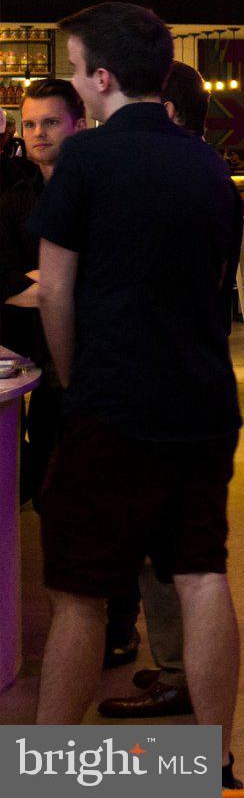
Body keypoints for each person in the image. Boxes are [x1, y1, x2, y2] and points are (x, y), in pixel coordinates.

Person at [28, 4, 244, 786]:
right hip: (202, 401)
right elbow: (221, 284)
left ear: (102, 78)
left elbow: (56, 290)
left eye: (77, 66)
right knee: (201, 572)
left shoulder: (85, 162)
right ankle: (210, 763)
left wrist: (72, 377)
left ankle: (54, 772)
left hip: (113, 402)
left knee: (81, 594)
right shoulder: (207, 163)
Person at [96, 59, 211, 722]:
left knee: (166, 552)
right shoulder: (198, 174)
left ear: (167, 113)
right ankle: (177, 668)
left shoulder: (171, 180)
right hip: (187, 386)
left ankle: (180, 677)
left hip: (161, 392)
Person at [0, 78, 85, 499]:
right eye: (30, 124)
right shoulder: (14, 200)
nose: (38, 134)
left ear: (79, 126)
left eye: (50, 122)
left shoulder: (100, 196)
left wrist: (37, 279)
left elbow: (103, 276)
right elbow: (1, 281)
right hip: (26, 349)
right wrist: (67, 280)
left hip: (91, 356)